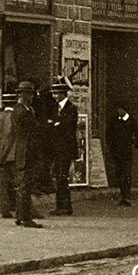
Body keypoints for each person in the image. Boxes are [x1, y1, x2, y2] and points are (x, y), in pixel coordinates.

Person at [12, 81, 43, 228]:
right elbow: (35, 128)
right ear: (23, 95)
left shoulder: (23, 109)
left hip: (24, 151)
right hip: (26, 152)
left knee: (23, 185)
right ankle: (25, 217)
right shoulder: (22, 111)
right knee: (25, 185)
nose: (32, 97)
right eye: (30, 94)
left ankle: (20, 216)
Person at [48, 77, 78, 216]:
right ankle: (62, 205)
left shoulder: (71, 108)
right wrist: (55, 124)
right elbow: (53, 124)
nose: (54, 96)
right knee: (59, 177)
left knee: (62, 177)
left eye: (57, 94)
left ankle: (64, 206)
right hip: (57, 148)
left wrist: (55, 124)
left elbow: (66, 127)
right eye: (53, 94)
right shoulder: (55, 108)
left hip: (65, 148)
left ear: (63, 94)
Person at [105, 101, 138, 206]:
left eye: (121, 109)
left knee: (126, 173)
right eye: (118, 109)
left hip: (126, 151)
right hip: (116, 151)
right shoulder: (114, 120)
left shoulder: (131, 121)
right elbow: (108, 133)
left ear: (125, 110)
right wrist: (110, 145)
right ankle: (123, 195)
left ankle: (126, 196)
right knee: (119, 173)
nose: (119, 111)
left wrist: (134, 145)